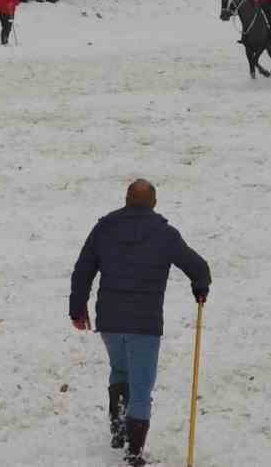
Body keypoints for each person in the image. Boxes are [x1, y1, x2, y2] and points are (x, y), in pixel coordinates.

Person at [70, 179, 211, 467]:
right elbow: (197, 265)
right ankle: (134, 452)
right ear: (154, 203)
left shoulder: (104, 228)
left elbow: (83, 267)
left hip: (110, 320)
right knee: (141, 386)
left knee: (119, 369)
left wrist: (77, 307)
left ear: (126, 199)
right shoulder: (164, 233)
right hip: (144, 324)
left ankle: (119, 431)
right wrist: (200, 285)